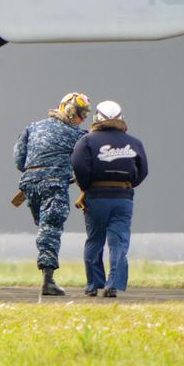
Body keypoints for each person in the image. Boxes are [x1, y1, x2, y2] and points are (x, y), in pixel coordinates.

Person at [14, 93, 90, 296]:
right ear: (73, 112)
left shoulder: (32, 127)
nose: (82, 119)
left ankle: (47, 274)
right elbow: (85, 160)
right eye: (81, 114)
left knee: (44, 227)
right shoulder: (77, 135)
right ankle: (48, 281)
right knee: (50, 229)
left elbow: (19, 161)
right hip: (54, 185)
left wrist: (36, 172)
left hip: (30, 184)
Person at [71, 101, 148, 298]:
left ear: (97, 117)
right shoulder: (135, 143)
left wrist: (87, 186)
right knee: (119, 242)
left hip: (95, 197)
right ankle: (113, 284)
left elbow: (79, 166)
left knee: (95, 240)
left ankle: (94, 286)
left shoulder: (86, 141)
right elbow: (142, 172)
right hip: (123, 199)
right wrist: (127, 185)